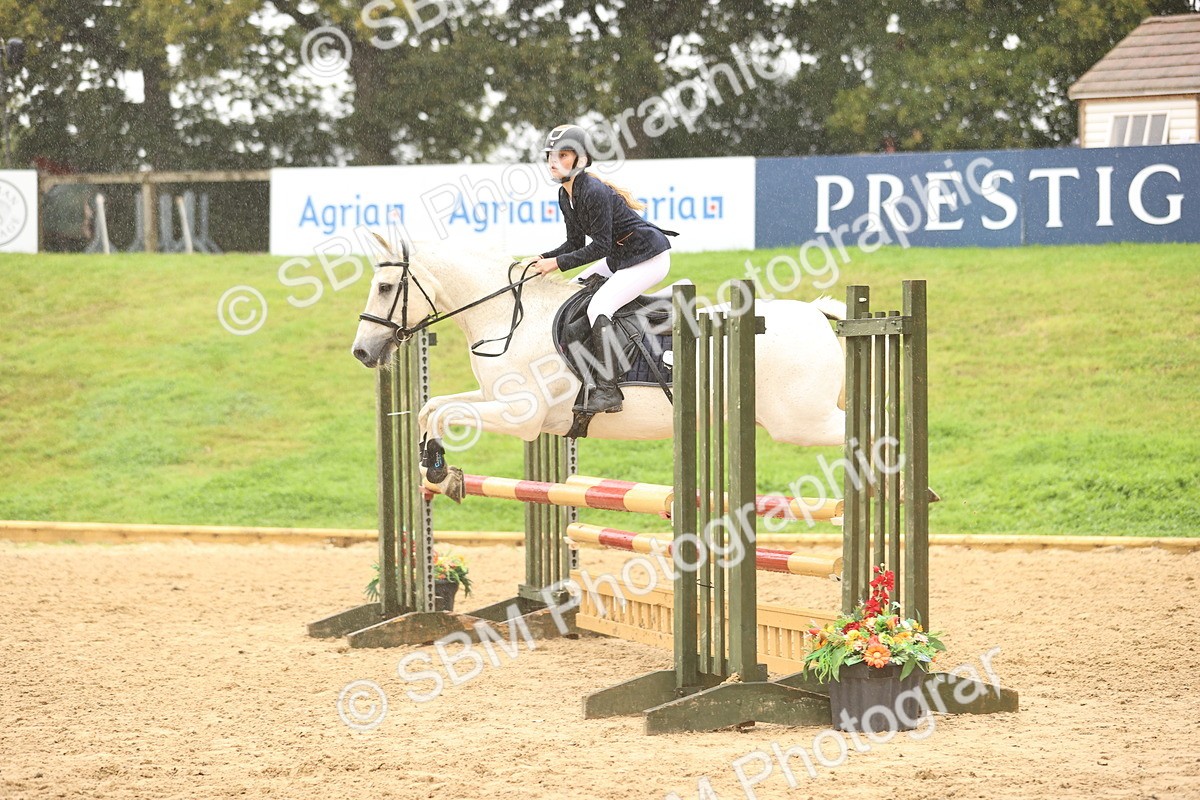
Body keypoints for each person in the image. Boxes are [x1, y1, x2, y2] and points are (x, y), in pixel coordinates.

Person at [526, 124, 675, 415]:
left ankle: (608, 390)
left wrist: (555, 264)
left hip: (648, 257)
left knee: (598, 307)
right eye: (550, 155)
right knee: (576, 290)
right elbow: (574, 242)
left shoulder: (592, 190)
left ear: (581, 159)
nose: (553, 161)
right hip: (622, 256)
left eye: (563, 154)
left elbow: (601, 247)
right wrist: (543, 258)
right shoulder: (565, 194)